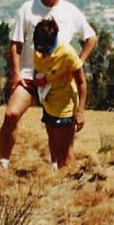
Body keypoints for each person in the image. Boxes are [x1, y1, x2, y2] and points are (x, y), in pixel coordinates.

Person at [0, 0, 97, 169]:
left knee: (57, 131)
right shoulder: (28, 8)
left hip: (58, 83)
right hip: (29, 76)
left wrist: (77, 63)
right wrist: (16, 74)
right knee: (11, 115)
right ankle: (3, 163)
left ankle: (59, 171)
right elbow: (15, 42)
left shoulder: (70, 10)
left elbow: (91, 37)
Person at [31, 18, 87, 170]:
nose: (42, 54)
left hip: (65, 107)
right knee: (53, 143)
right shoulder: (37, 50)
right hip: (48, 103)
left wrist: (80, 112)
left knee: (65, 152)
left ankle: (66, 184)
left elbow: (82, 83)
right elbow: (38, 70)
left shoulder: (68, 54)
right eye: (39, 49)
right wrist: (38, 80)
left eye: (46, 50)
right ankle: (55, 173)